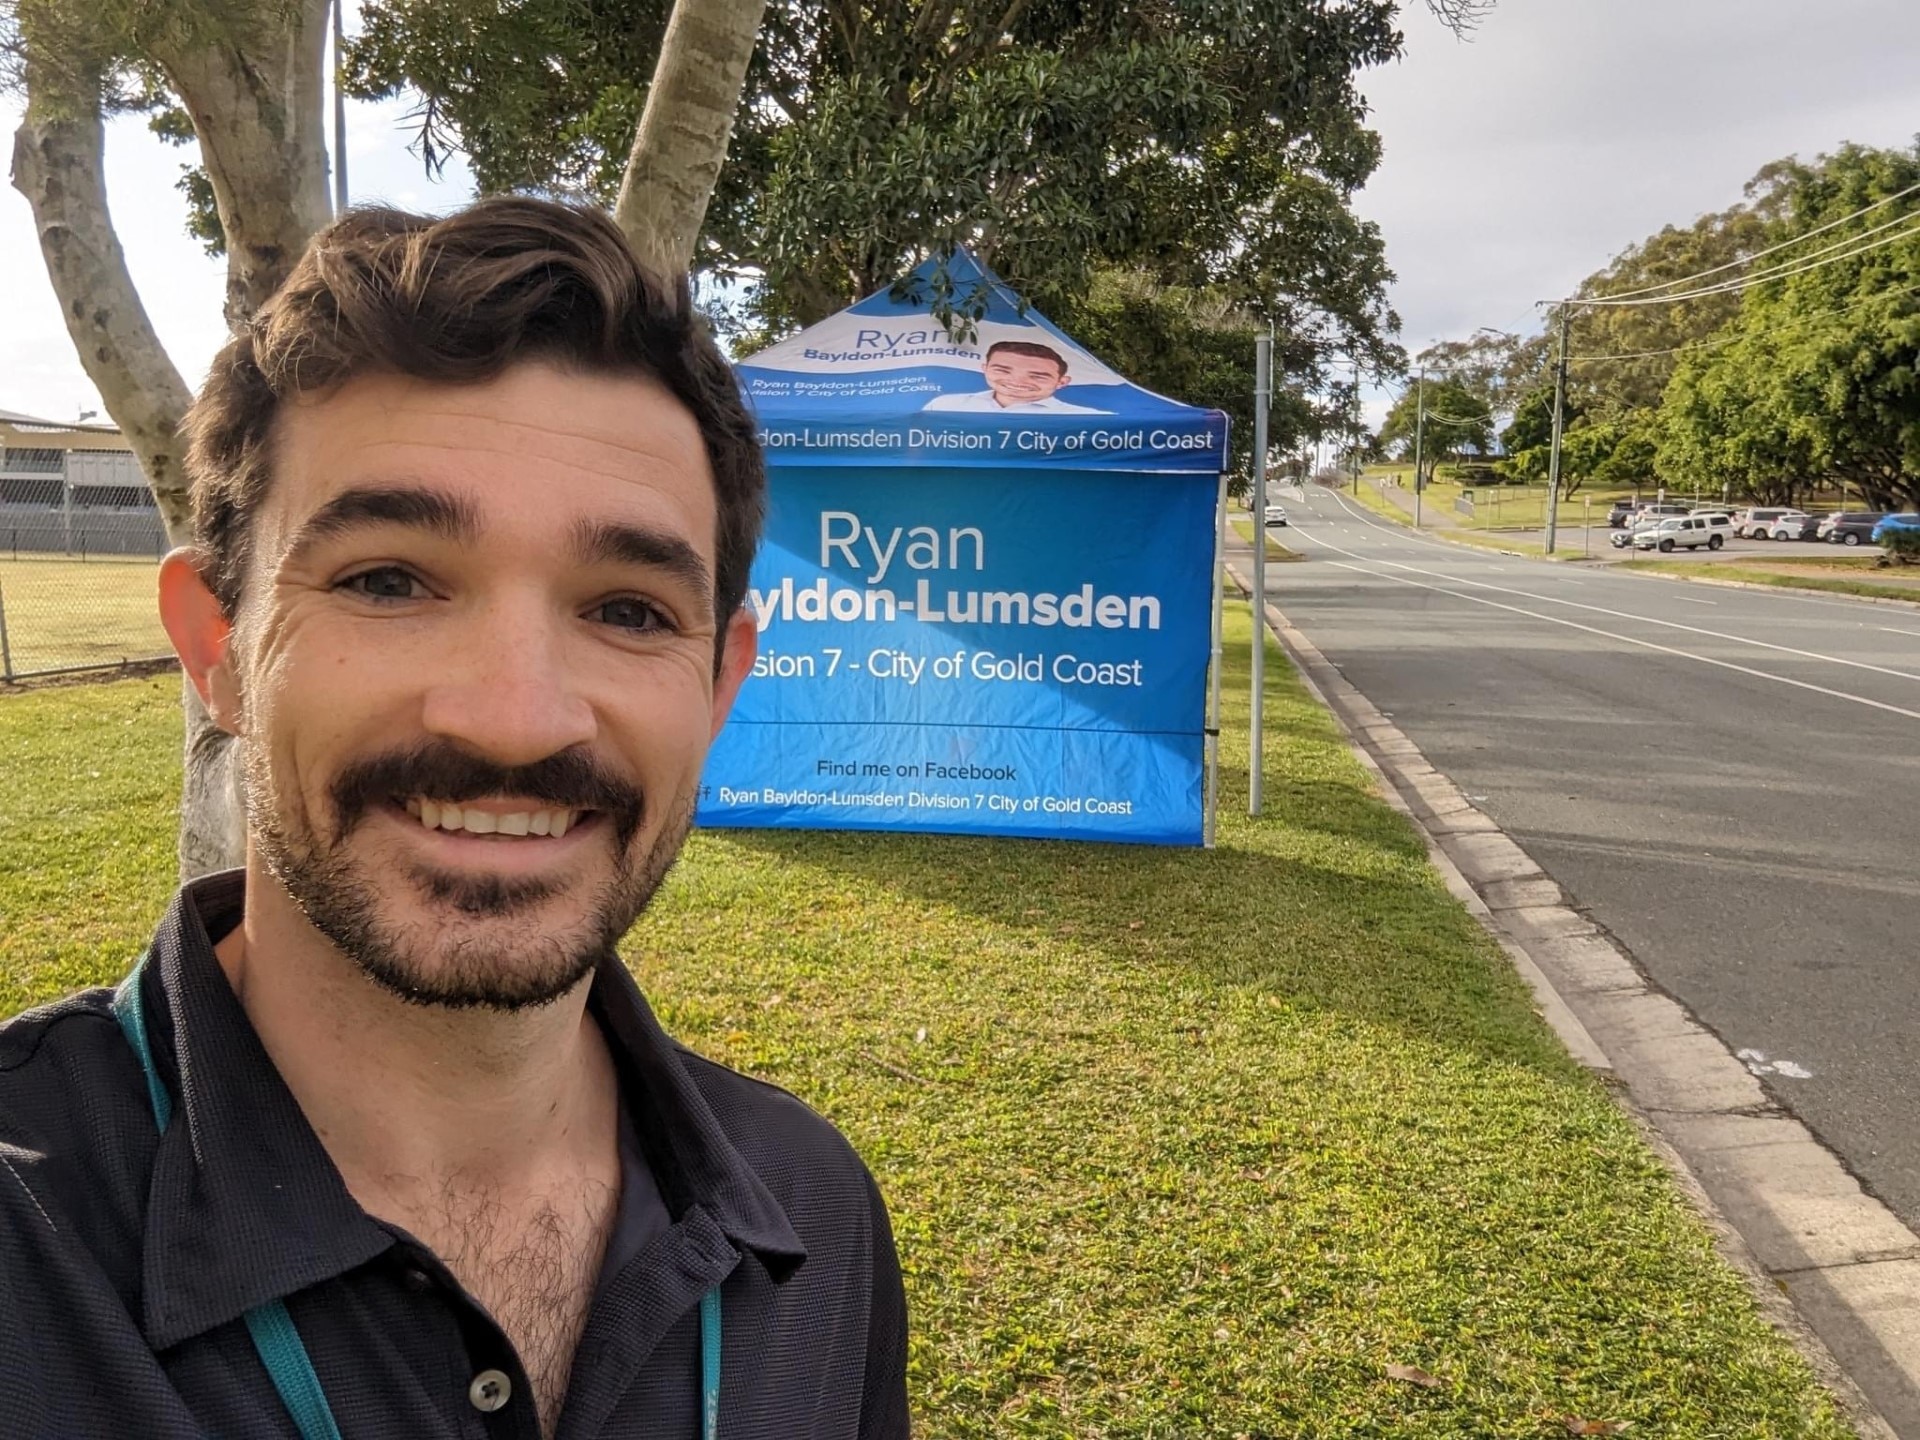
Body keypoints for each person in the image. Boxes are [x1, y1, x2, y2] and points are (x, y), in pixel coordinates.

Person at [0, 198, 909, 1440]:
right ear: (216, 644)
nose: (517, 719)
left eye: (630, 609)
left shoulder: (816, 1215)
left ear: (718, 685)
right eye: (388, 580)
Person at [920, 339, 1105, 414]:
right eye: (1002, 370)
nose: (1017, 381)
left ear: (1062, 382)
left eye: (1037, 376)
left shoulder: (1092, 420)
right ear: (985, 369)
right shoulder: (944, 405)